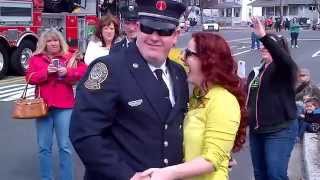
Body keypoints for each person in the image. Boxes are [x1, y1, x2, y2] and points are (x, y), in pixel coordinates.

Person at [69, 1, 188, 180]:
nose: (154, 37)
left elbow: (177, 128)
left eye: (164, 31)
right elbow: (85, 133)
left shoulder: (179, 73)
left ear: (176, 35)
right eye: (148, 29)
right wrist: (127, 176)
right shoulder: (108, 68)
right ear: (138, 28)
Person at [140, 32, 247, 180]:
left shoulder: (223, 101)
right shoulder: (197, 96)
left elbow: (211, 160)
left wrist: (165, 173)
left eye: (189, 53)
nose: (182, 57)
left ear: (208, 60)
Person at [25, 28, 87, 180]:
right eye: (49, 41)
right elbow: (29, 78)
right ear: (44, 44)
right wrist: (47, 71)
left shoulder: (71, 56)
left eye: (56, 40)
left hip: (64, 106)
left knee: (65, 146)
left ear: (61, 41)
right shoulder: (36, 58)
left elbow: (84, 72)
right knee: (43, 147)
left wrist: (67, 72)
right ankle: (47, 178)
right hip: (43, 107)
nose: (53, 43)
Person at [247, 17, 298, 180]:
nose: (263, 47)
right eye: (262, 45)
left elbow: (283, 59)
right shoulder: (256, 71)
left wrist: (264, 36)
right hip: (257, 130)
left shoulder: (284, 69)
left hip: (279, 130)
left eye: (268, 45)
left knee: (275, 175)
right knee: (260, 174)